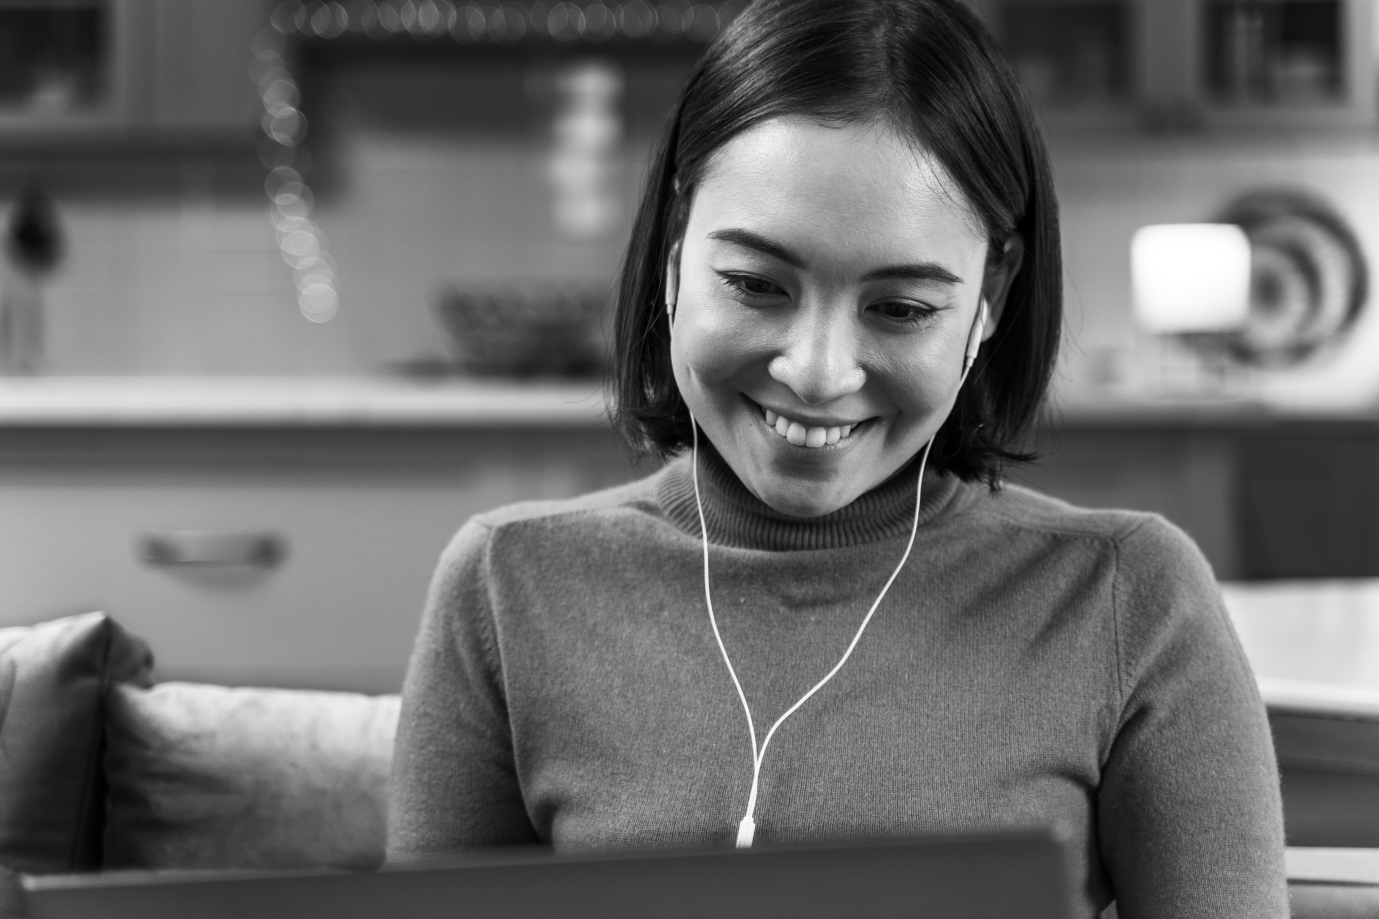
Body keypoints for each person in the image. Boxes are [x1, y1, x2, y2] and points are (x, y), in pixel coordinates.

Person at [387, 1, 1288, 916]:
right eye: (754, 285)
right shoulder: (506, 584)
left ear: (989, 299)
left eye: (899, 308)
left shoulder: (1130, 599)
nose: (816, 373)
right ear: (671, 260)